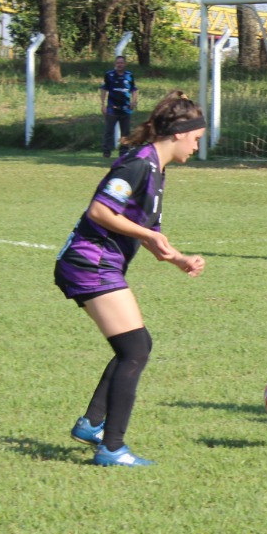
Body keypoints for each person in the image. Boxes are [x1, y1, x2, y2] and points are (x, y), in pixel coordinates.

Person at [55, 91, 206, 467]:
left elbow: (149, 235)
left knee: (136, 346)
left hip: (99, 263)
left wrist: (178, 259)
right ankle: (111, 448)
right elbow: (100, 211)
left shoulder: (156, 169)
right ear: (178, 133)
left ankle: (92, 423)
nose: (197, 147)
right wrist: (146, 234)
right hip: (89, 262)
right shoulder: (139, 163)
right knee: (135, 349)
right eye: (196, 139)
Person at [100, 55, 138, 159]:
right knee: (109, 131)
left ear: (125, 64)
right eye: (118, 63)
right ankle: (107, 151)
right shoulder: (109, 75)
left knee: (125, 132)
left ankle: (124, 152)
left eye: (121, 63)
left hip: (125, 109)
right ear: (115, 64)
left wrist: (134, 101)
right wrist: (103, 104)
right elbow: (104, 89)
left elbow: (134, 90)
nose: (119, 65)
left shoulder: (129, 75)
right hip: (112, 108)